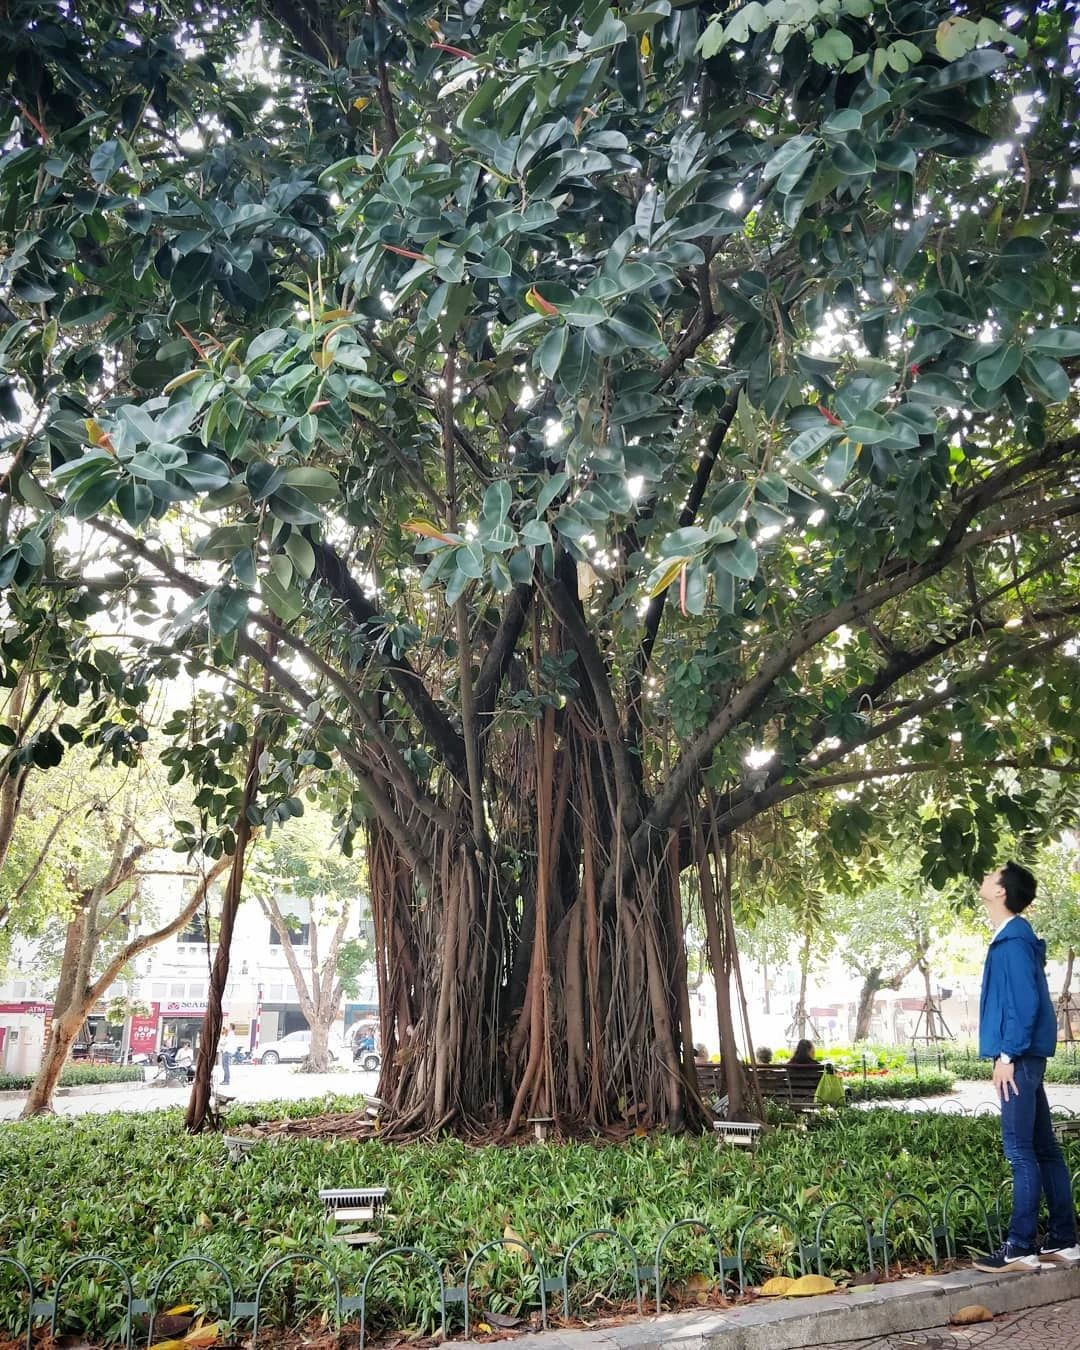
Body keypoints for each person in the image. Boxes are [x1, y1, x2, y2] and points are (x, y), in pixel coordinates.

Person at [972, 862, 1079, 1271]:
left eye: (990, 874)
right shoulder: (1013, 938)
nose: (984, 877)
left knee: (1020, 1152)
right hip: (1026, 1056)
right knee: (1045, 1148)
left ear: (1001, 891)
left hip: (1018, 1057)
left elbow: (1025, 1005)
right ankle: (1063, 1241)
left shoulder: (1013, 941)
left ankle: (1020, 1247)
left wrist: (1006, 1056)